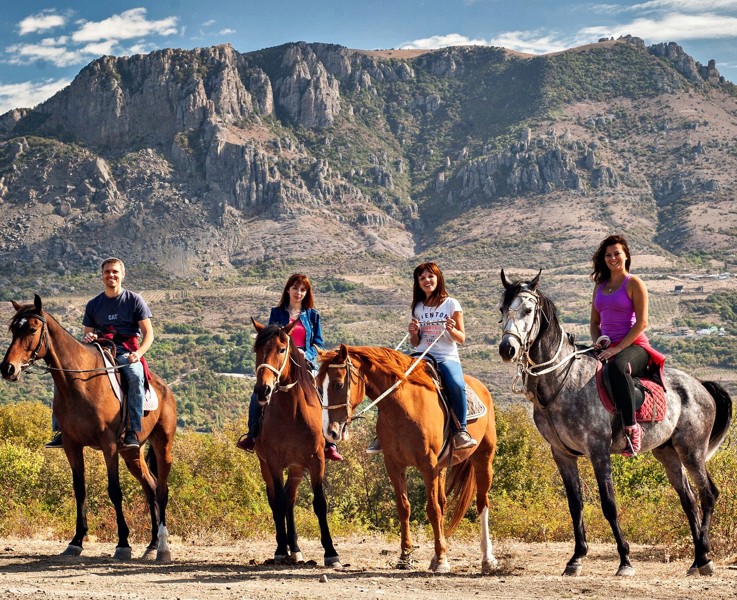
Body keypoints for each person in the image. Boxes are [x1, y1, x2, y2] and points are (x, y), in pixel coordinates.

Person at [367, 261, 477, 454]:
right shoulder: (418, 307)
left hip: (445, 356)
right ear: (418, 283)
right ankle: (382, 435)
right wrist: (414, 332)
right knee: (389, 381)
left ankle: (462, 430)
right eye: (422, 278)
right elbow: (416, 343)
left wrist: (452, 330)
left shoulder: (452, 304)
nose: (427, 280)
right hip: (420, 355)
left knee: (456, 384)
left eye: (430, 276)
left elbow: (462, 338)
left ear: (438, 278)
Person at [46, 257, 153, 450]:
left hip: (126, 350)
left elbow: (149, 334)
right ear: (102, 276)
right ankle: (60, 430)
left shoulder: (134, 300)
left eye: (115, 272)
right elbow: (87, 334)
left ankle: (132, 430)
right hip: (99, 350)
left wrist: (138, 353)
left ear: (122, 275)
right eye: (107, 272)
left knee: (135, 375)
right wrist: (91, 337)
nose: (111, 275)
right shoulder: (94, 304)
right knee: (62, 374)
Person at [237, 273, 343, 461]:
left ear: (306, 293)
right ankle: (252, 435)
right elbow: (270, 339)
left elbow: (318, 342)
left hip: (305, 363)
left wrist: (306, 354)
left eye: (303, 290)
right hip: (282, 363)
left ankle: (329, 443)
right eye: (295, 288)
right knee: (258, 394)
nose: (299, 293)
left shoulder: (312, 315)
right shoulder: (276, 313)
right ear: (288, 289)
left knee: (324, 392)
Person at [590, 234, 664, 457]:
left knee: (619, 366)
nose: (613, 258)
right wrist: (597, 342)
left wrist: (618, 349)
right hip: (606, 345)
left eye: (617, 254)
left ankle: (632, 428)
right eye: (608, 255)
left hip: (634, 346)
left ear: (626, 256)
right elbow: (594, 323)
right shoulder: (599, 286)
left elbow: (642, 322)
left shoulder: (633, 283)